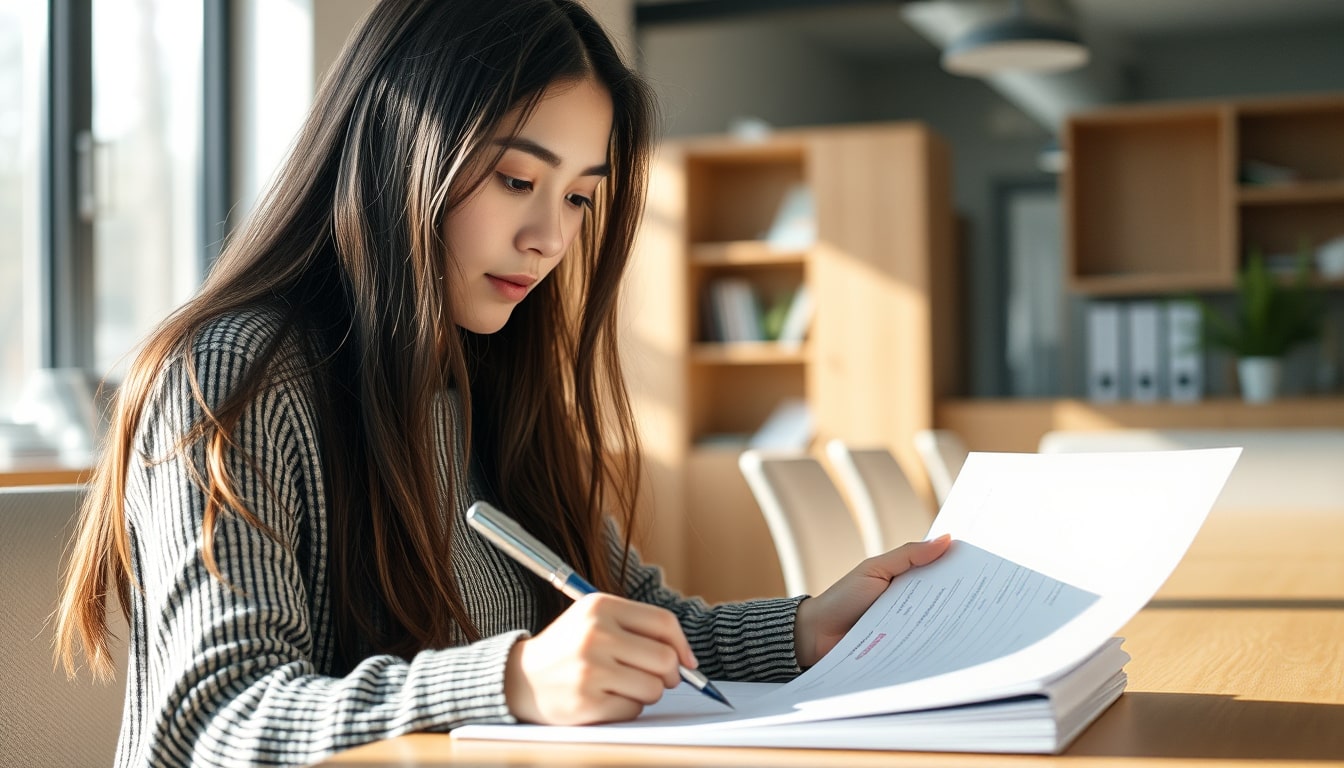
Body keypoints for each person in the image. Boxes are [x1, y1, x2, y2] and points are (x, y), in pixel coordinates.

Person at [55, 1, 952, 765]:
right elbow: (216, 720)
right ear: (396, 150)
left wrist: (806, 632)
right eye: (518, 177)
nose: (549, 239)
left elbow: (632, 619)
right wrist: (514, 679)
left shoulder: (486, 373)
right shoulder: (231, 378)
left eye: (576, 197)